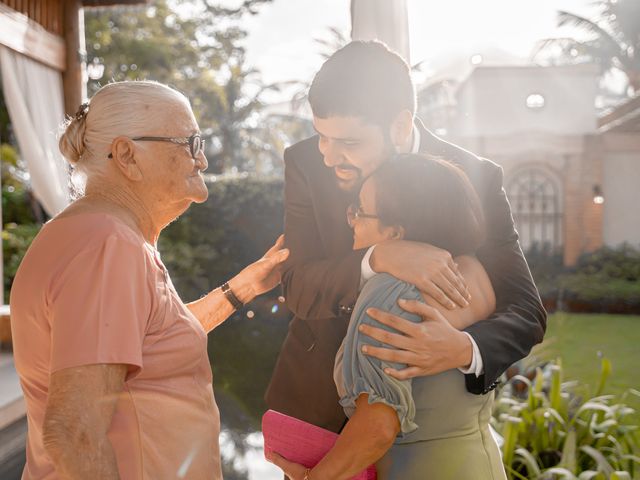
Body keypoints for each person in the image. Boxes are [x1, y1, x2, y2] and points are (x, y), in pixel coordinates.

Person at [10, 80, 288, 480]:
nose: (202, 160)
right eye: (190, 143)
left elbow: (153, 338)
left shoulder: (95, 234)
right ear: (127, 155)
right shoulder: (107, 246)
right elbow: (74, 433)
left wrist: (245, 285)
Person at [265, 40, 546, 435]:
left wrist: (462, 348)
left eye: (348, 142)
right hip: (318, 411)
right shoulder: (306, 164)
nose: (328, 155)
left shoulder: (476, 175)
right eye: (322, 136)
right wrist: (377, 258)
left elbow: (526, 311)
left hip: (431, 420)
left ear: (399, 126)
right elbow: (296, 284)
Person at [268, 156, 507, 479]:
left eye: (360, 211)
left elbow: (378, 426)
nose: (351, 220)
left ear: (394, 232)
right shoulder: (473, 270)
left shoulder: (390, 292)